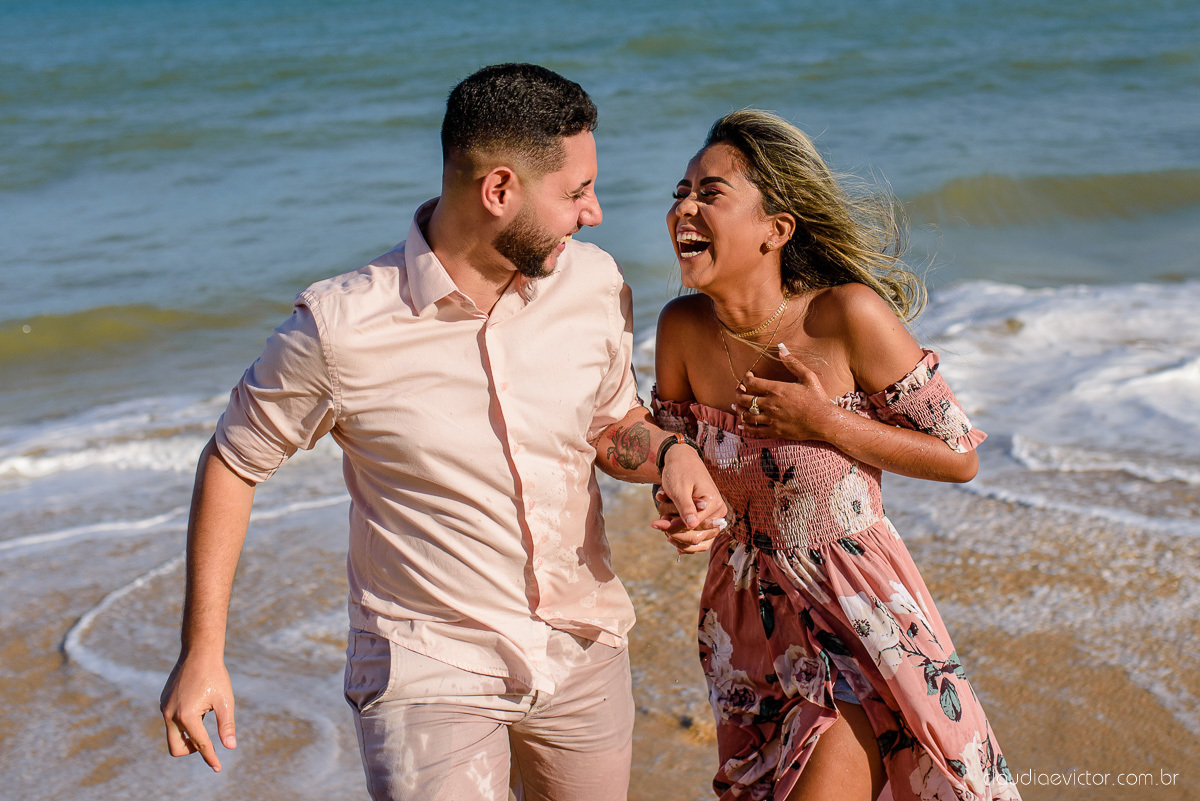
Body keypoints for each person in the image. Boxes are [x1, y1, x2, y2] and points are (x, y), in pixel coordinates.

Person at [158, 63, 727, 801]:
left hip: (583, 647)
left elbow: (609, 422)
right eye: (576, 192)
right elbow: (234, 462)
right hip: (429, 666)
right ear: (498, 191)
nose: (594, 213)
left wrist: (669, 455)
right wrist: (201, 652)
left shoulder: (593, 283)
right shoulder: (339, 328)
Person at [650, 110, 1021, 801]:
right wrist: (681, 505)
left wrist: (827, 422)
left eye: (711, 192)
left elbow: (958, 454)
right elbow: (670, 456)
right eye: (681, 190)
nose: (684, 207)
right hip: (745, 619)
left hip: (857, 610)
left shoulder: (846, 315)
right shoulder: (681, 329)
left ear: (777, 229)